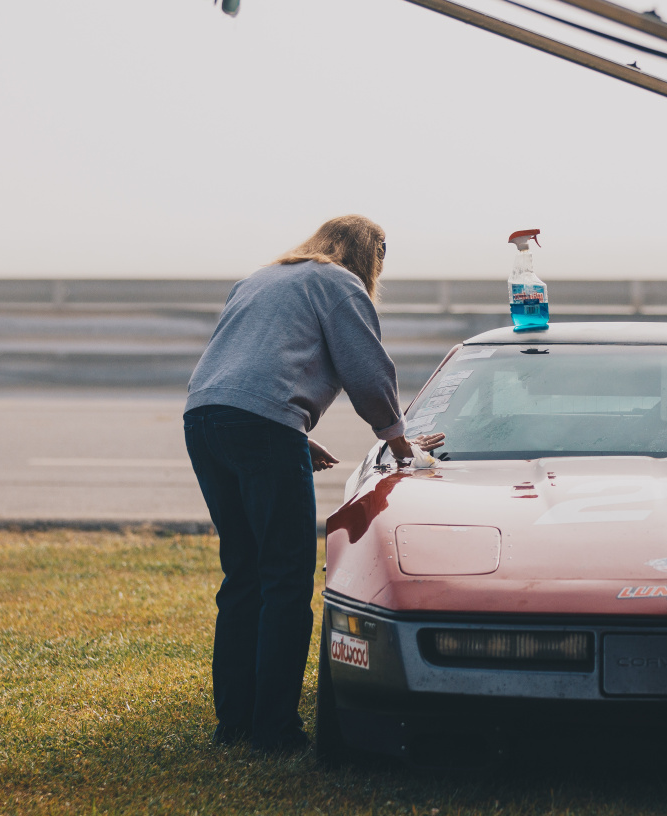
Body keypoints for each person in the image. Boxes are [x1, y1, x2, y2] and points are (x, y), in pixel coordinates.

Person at [183, 214, 444, 752]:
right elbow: (366, 369)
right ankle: (275, 731)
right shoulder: (338, 283)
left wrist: (293, 435)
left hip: (205, 420)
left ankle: (233, 723)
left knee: (244, 574)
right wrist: (400, 443)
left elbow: (241, 367)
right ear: (373, 254)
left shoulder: (259, 279)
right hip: (258, 426)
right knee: (284, 579)